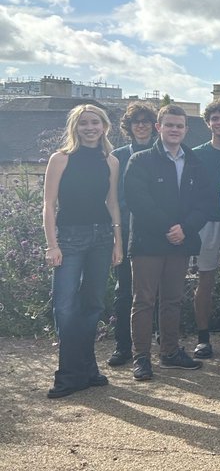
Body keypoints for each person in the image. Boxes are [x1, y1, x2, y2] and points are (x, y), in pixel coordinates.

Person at [42, 104, 122, 398]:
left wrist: (118, 243)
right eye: (84, 123)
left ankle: (88, 368)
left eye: (95, 122)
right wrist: (52, 244)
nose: (90, 127)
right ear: (75, 127)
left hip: (102, 237)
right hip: (70, 238)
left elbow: (112, 203)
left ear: (104, 127)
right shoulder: (61, 159)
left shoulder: (110, 161)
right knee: (64, 307)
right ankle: (68, 374)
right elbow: (49, 204)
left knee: (93, 305)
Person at [124, 105, 210, 381]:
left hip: (180, 242)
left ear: (186, 129)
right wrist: (168, 228)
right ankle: (141, 358)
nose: (175, 130)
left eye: (180, 126)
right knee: (144, 301)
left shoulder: (195, 160)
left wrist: (185, 229)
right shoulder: (140, 160)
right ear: (158, 127)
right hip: (149, 242)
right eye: (169, 125)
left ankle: (170, 352)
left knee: (173, 299)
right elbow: (138, 200)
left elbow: (204, 203)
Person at [106, 101, 156, 368]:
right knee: (124, 291)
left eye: (146, 120)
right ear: (129, 126)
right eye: (136, 121)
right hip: (125, 229)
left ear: (153, 125)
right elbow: (111, 196)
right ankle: (123, 346)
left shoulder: (163, 153)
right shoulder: (118, 156)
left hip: (156, 231)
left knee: (154, 291)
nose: (141, 125)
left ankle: (152, 345)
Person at [191, 100, 220, 359]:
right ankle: (203, 338)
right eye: (215, 118)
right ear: (208, 122)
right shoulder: (197, 154)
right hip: (207, 223)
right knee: (205, 280)